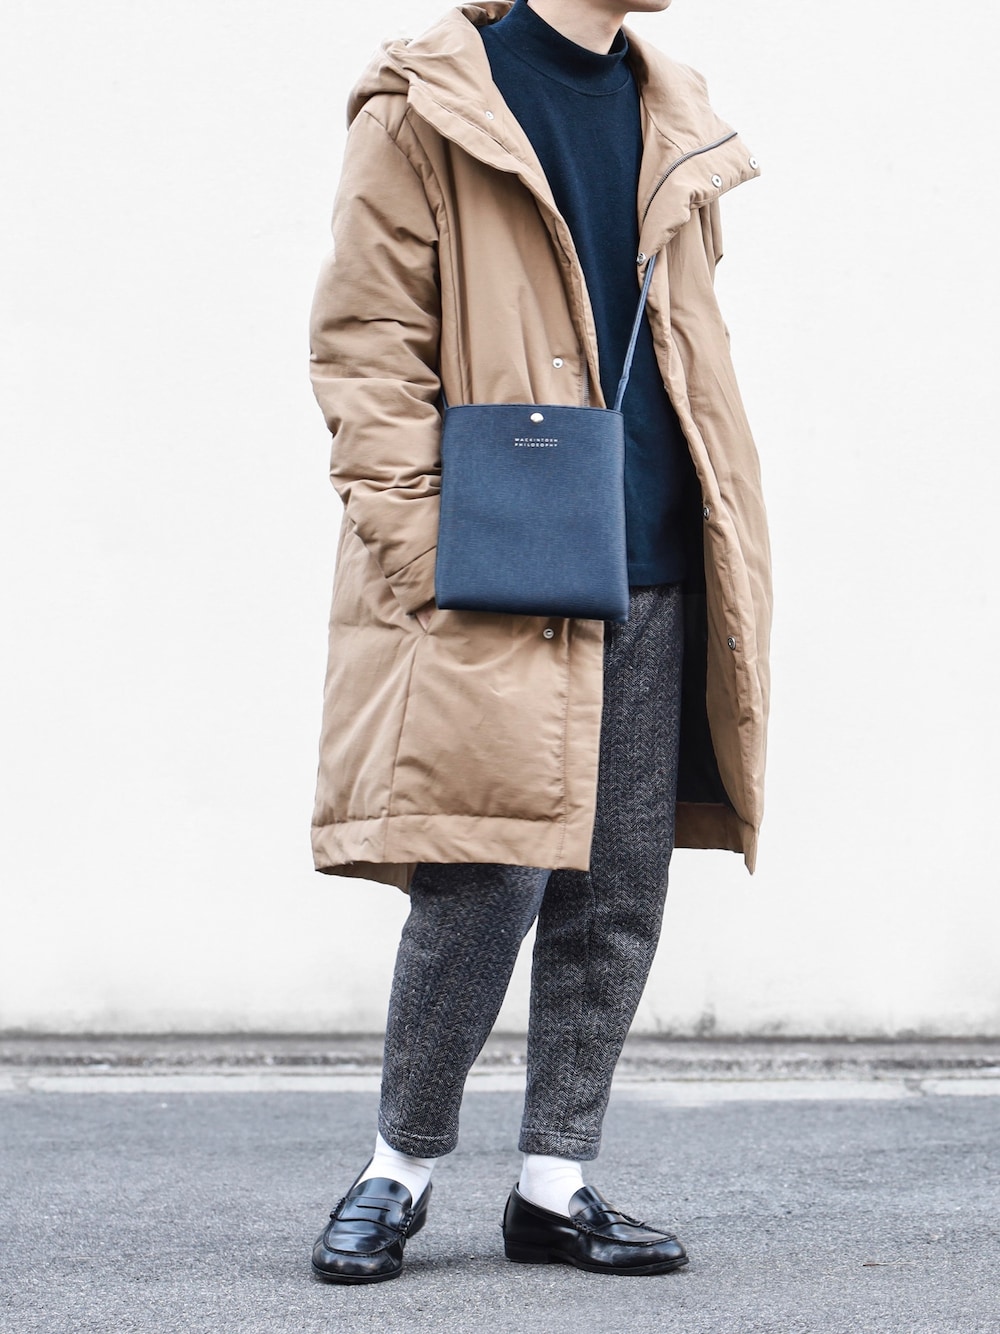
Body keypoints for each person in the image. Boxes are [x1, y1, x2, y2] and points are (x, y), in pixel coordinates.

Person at [306, 0, 771, 1283]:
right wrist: (430, 554)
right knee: (483, 873)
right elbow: (366, 346)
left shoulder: (673, 110)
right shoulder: (427, 107)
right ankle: (396, 1166)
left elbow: (684, 338)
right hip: (499, 561)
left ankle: (555, 1182)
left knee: (616, 887)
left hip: (656, 549)